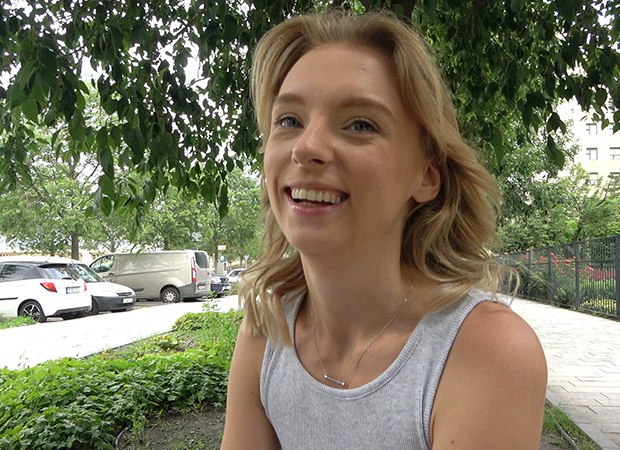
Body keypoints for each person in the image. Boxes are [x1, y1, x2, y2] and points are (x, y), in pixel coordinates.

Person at [221, 10, 548, 449]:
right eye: (289, 121)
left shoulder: (485, 350)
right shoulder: (265, 332)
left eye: (360, 124)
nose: (306, 147)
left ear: (426, 176)